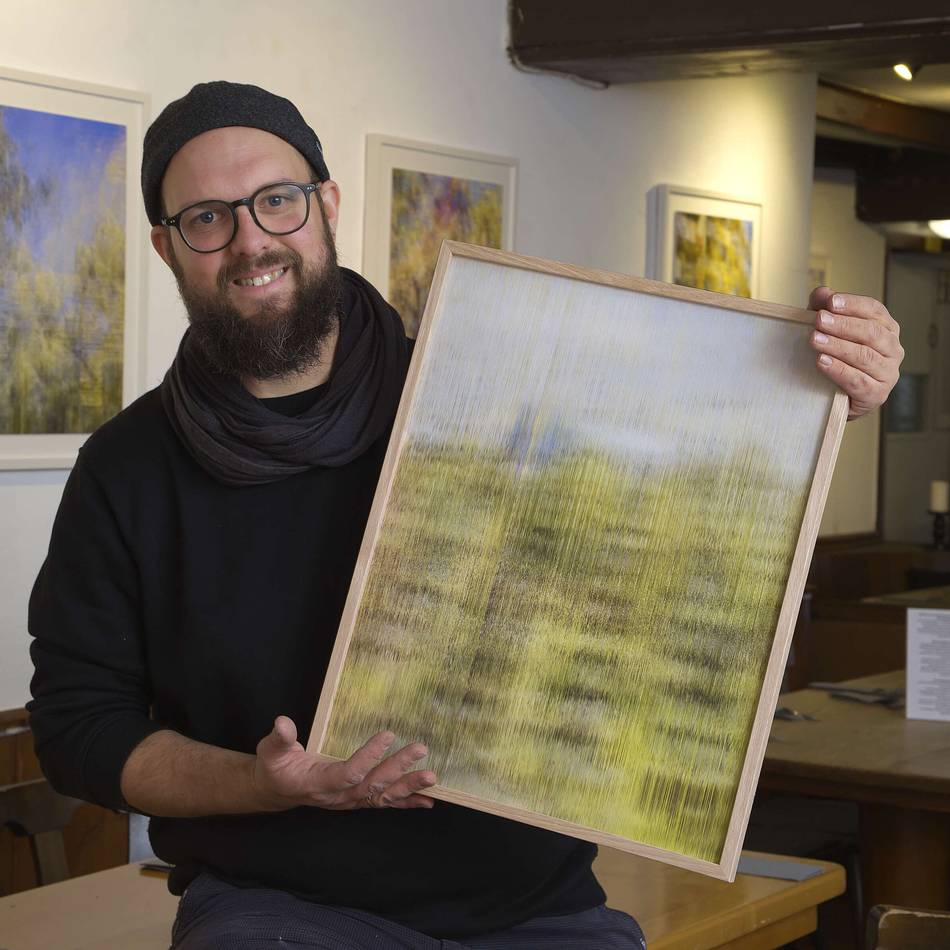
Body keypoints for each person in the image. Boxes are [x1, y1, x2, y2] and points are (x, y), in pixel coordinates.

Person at [27, 81, 903, 950]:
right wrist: (268, 786)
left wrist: (820, 400)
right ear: (166, 246)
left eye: (278, 201)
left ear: (326, 204)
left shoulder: (485, 395)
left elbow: (676, 484)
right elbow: (80, 730)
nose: (252, 240)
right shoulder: (126, 471)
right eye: (208, 218)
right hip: (277, 910)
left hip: (535, 910)